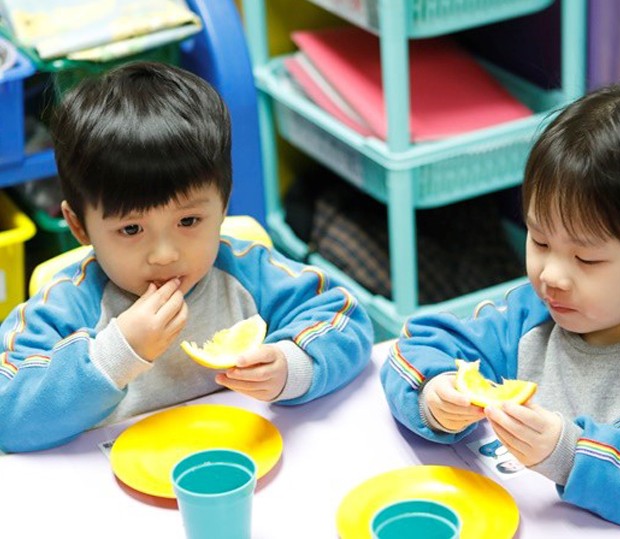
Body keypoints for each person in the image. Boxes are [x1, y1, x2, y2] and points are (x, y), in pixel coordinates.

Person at [0, 61, 374, 453]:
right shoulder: (65, 306)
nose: (165, 255)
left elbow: (345, 319)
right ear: (79, 227)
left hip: (240, 464)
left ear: (224, 206)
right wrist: (114, 356)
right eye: (131, 229)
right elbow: (8, 414)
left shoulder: (249, 272)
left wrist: (292, 366)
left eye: (190, 220)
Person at [380, 85, 620, 537]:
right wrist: (434, 396)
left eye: (586, 259)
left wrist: (571, 453)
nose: (551, 275)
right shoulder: (531, 316)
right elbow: (412, 348)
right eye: (540, 241)